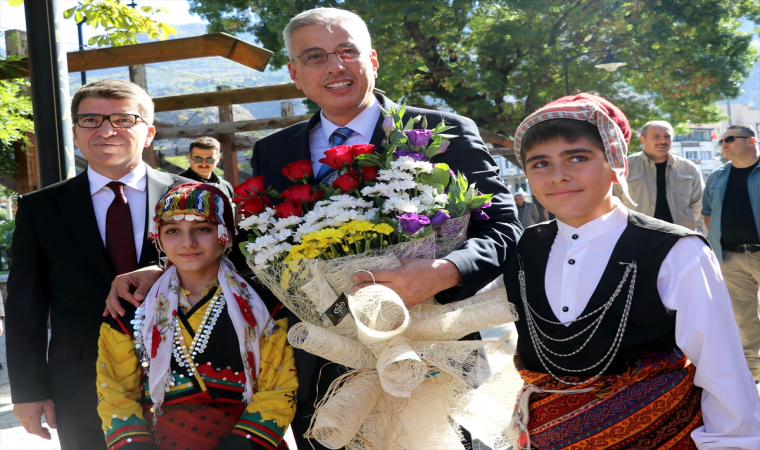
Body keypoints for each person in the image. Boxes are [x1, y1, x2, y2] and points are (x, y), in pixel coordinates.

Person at [104, 7, 522, 450]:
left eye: (347, 51)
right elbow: (254, 249)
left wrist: (445, 270)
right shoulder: (273, 152)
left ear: (373, 60)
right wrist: (166, 271)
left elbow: (503, 227)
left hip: (433, 354)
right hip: (324, 364)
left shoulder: (442, 132)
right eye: (316, 56)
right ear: (295, 73)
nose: (335, 67)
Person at [504, 93, 760, 449]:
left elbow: (721, 365)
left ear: (614, 162)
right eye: (541, 163)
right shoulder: (522, 248)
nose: (559, 176)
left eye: (578, 158)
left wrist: (733, 443)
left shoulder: (676, 250)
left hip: (663, 436)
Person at [6, 79, 188, 449]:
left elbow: (231, 280)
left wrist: (168, 272)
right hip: (81, 387)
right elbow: (26, 306)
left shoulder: (192, 196)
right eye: (90, 120)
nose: (107, 130)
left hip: (191, 381)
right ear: (75, 132)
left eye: (124, 119)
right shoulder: (41, 209)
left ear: (149, 132)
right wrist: (27, 390)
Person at [96, 183, 297, 450]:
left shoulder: (264, 303)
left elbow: (279, 390)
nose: (187, 242)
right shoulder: (132, 306)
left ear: (225, 234)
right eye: (172, 231)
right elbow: (115, 393)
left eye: (202, 229)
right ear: (158, 237)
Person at [703, 124, 760, 383]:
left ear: (751, 141)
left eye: (730, 139)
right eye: (722, 140)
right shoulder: (716, 176)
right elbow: (707, 214)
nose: (723, 143)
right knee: (742, 318)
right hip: (730, 257)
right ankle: (753, 375)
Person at [612, 120, 703, 230]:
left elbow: (699, 204)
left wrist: (687, 225)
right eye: (656, 136)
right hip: (637, 238)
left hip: (679, 238)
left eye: (667, 136)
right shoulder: (624, 167)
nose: (662, 141)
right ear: (642, 139)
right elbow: (612, 203)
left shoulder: (688, 168)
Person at [178, 136, 235, 201]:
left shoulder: (225, 186)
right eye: (198, 159)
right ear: (190, 157)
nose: (204, 164)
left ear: (218, 158)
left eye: (210, 159)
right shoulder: (175, 184)